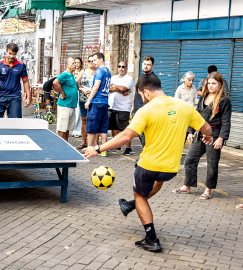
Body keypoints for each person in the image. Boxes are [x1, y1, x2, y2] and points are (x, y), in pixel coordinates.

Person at [83, 74, 213, 252]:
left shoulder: (146, 110)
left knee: (140, 195)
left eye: (141, 95)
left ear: (146, 91)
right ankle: (129, 205)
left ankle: (151, 238)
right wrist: (208, 135)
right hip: (171, 168)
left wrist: (97, 149)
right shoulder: (184, 107)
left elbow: (126, 136)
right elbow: (206, 128)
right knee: (158, 180)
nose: (142, 98)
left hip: (149, 165)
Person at [173, 72, 232, 200]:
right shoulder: (204, 97)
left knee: (212, 163)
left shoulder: (224, 100)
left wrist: (221, 138)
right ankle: (187, 185)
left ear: (220, 84)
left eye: (214, 83)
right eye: (209, 83)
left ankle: (208, 190)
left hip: (214, 135)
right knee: (190, 160)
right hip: (200, 133)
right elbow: (196, 116)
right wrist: (190, 131)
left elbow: (226, 121)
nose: (211, 86)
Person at [0, 43, 31, 118]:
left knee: (15, 123)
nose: (11, 56)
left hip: (15, 97)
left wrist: (28, 97)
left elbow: (25, 81)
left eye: (13, 54)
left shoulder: (21, 66)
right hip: (0, 96)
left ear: (16, 53)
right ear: (6, 51)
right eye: (10, 53)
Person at [85, 52, 111, 157]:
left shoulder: (100, 71)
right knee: (103, 126)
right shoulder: (108, 71)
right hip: (104, 102)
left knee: (92, 125)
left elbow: (96, 86)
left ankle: (89, 147)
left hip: (96, 101)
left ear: (101, 60)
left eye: (95, 60)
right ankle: (103, 149)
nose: (93, 62)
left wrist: (88, 100)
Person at [108, 61, 134, 155]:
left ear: (126, 68)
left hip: (123, 107)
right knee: (114, 127)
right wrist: (119, 88)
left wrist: (115, 87)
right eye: (119, 66)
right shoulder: (113, 77)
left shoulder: (129, 78)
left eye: (123, 67)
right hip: (112, 105)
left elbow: (124, 89)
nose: (121, 68)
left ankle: (128, 147)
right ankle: (116, 145)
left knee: (124, 128)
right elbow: (108, 88)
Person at [130, 56, 155, 149]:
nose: (146, 66)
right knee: (140, 133)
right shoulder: (141, 76)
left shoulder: (153, 78)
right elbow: (136, 92)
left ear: (152, 66)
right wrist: (133, 106)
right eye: (144, 64)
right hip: (138, 108)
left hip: (147, 110)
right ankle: (147, 153)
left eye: (148, 64)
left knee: (145, 134)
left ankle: (148, 154)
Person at [53, 57, 78, 141]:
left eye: (75, 63)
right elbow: (55, 82)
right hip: (65, 105)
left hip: (71, 105)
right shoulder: (65, 74)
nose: (75, 65)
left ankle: (66, 145)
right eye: (73, 63)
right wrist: (62, 93)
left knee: (67, 128)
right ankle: (59, 147)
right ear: (67, 65)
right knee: (62, 128)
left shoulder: (72, 75)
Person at [76, 55, 96, 149]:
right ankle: (84, 142)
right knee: (84, 120)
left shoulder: (98, 72)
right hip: (83, 99)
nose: (91, 62)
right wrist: (82, 90)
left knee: (94, 121)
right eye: (89, 61)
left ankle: (93, 144)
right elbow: (77, 83)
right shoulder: (83, 71)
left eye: (93, 61)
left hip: (94, 99)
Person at [71, 57, 84, 138]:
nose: (76, 64)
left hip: (80, 93)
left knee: (78, 112)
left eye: (78, 62)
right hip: (72, 94)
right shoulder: (71, 73)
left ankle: (77, 130)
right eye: (75, 62)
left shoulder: (83, 72)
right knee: (72, 112)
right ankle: (71, 129)